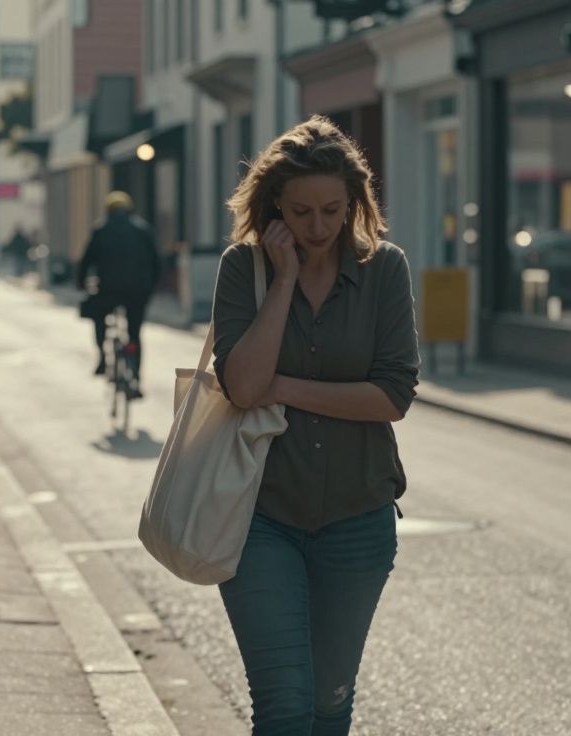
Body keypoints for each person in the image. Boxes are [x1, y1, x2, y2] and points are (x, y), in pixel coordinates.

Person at [210, 115, 419, 734]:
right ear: (275, 205)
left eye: (333, 210)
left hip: (358, 519)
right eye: (302, 212)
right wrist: (282, 285)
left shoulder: (386, 269)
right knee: (283, 709)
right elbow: (243, 386)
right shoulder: (241, 269)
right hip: (258, 520)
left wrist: (284, 389)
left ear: (354, 202)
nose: (319, 227)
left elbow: (392, 395)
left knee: (329, 708)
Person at [76, 191, 160, 384]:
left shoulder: (100, 230)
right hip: (137, 291)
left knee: (99, 319)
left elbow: (86, 261)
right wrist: (150, 288)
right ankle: (136, 375)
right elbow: (156, 262)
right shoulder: (142, 230)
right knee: (134, 333)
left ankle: (103, 358)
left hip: (108, 290)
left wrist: (81, 284)